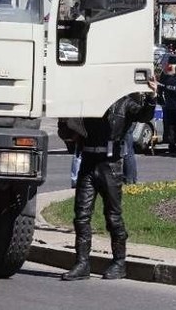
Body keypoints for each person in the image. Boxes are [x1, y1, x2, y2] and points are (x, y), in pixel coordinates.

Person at [58, 82, 157, 281]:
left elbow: (144, 115)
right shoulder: (86, 102)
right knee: (81, 215)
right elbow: (66, 131)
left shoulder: (124, 103)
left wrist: (152, 97)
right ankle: (82, 262)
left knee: (113, 216)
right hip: (88, 160)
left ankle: (119, 262)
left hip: (110, 164)